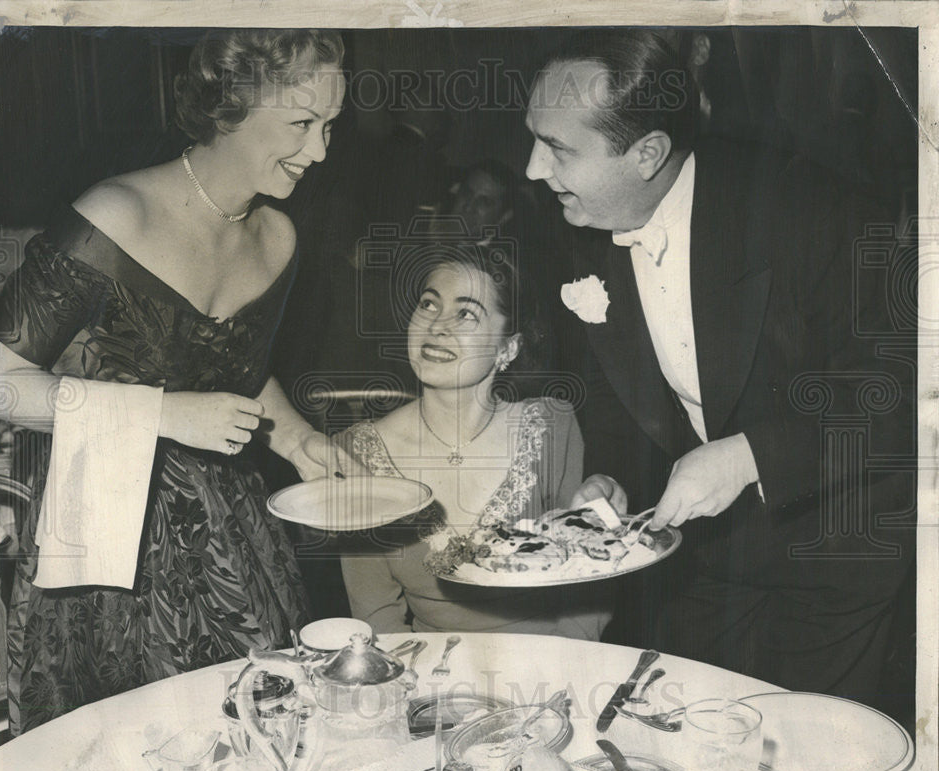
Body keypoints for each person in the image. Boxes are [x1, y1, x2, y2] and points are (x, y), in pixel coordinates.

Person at [0, 29, 362, 734]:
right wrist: (161, 414)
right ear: (229, 107)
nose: (320, 152)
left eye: (330, 126)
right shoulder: (113, 216)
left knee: (259, 726)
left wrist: (300, 439)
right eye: (303, 125)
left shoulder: (279, 236)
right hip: (100, 541)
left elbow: (235, 369)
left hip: (230, 530)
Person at [524, 30, 914, 708]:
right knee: (685, 738)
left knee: (802, 752)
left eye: (557, 148)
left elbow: (898, 391)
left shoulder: (810, 208)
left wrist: (749, 456)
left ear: (647, 154)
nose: (532, 169)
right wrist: (609, 477)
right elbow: (615, 394)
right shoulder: (572, 222)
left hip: (835, 541)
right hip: (701, 560)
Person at [337, 246, 611, 639]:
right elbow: (375, 615)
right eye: (429, 304)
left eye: (466, 313)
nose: (437, 326)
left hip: (548, 661)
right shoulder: (356, 454)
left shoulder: (552, 427)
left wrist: (565, 671)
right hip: (428, 672)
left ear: (508, 348)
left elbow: (588, 584)